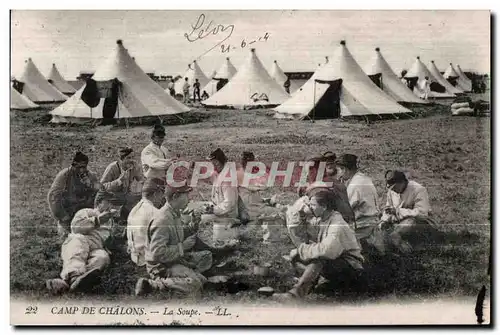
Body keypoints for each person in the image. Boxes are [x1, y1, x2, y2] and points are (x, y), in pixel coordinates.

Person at [274, 187, 364, 300]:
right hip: (337, 262)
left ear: (324, 207)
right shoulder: (324, 218)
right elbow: (302, 233)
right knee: (299, 257)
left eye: (313, 205)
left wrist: (301, 249)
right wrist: (301, 215)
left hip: (352, 268)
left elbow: (327, 251)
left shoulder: (337, 224)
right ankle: (315, 282)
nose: (310, 208)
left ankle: (296, 294)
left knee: (319, 258)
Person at [135, 183, 213, 297]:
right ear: (176, 196)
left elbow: (178, 234)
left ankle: (188, 275)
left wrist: (194, 223)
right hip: (162, 266)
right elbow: (158, 253)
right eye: (186, 195)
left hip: (175, 259)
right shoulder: (162, 219)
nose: (189, 198)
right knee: (196, 284)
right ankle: (154, 284)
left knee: (207, 256)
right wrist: (183, 246)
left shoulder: (174, 213)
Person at [45, 192, 122, 294]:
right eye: (108, 202)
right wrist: (98, 220)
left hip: (96, 248)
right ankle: (73, 276)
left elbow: (111, 242)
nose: (111, 206)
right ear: (98, 203)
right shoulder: (87, 212)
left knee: (103, 257)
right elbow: (75, 227)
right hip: (81, 240)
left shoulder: (111, 223)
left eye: (113, 204)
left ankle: (77, 281)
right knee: (78, 246)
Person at [335, 154, 385, 254]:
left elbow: (345, 209)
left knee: (335, 240)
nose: (339, 173)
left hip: (363, 225)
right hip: (370, 221)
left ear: (345, 169)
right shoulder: (362, 178)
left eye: (339, 170)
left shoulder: (356, 184)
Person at [379, 170, 436, 254]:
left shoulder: (418, 189)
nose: (393, 190)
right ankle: (394, 242)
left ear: (402, 182)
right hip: (400, 223)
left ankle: (397, 240)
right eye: (391, 188)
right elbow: (388, 209)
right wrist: (384, 221)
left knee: (410, 221)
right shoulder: (392, 191)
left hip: (420, 224)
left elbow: (422, 214)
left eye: (394, 187)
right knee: (379, 219)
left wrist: (398, 211)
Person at [48, 151, 102, 236]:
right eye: (78, 167)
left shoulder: (90, 175)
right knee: (68, 240)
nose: (81, 170)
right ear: (73, 165)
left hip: (85, 215)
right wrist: (62, 216)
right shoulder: (64, 176)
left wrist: (90, 185)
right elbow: (53, 196)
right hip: (68, 215)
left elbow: (100, 192)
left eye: (84, 167)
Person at [201, 148, 243, 243]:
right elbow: (208, 177)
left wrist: (213, 210)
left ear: (217, 162)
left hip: (227, 215)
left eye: (212, 162)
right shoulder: (220, 172)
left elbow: (229, 203)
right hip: (221, 211)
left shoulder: (227, 179)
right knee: (198, 208)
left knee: (199, 217)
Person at [126, 178, 167, 266]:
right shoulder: (154, 213)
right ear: (156, 194)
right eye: (161, 195)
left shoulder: (135, 209)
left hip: (135, 256)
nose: (162, 198)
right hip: (147, 261)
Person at [98, 147, 143, 221]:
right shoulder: (112, 168)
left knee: (139, 197)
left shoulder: (134, 166)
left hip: (124, 196)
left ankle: (125, 218)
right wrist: (118, 181)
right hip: (109, 197)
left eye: (132, 157)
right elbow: (102, 187)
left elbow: (141, 179)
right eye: (128, 158)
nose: (131, 160)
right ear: (120, 159)